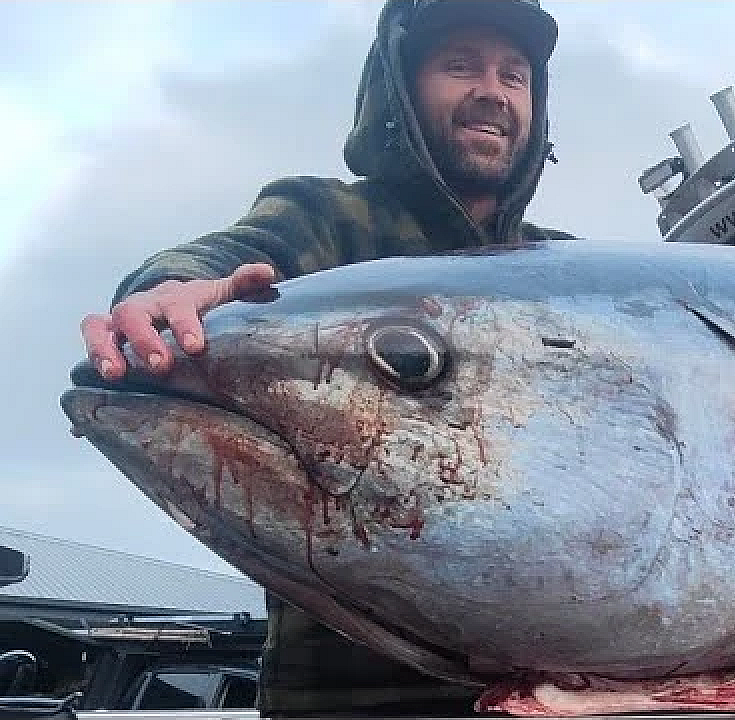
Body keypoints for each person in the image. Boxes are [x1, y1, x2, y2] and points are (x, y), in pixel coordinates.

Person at [78, 0, 575, 715]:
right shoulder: (330, 218)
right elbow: (227, 259)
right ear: (399, 90)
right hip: (354, 695)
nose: (492, 91)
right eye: (460, 65)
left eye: (515, 74)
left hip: (561, 679)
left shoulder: (564, 266)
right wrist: (169, 290)